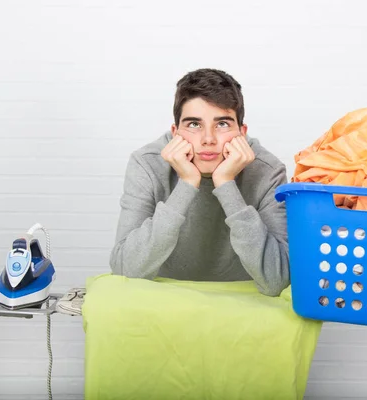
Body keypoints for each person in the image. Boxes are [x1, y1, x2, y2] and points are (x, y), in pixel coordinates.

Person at [109, 68, 290, 296]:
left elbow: (277, 281)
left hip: (241, 305)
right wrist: (187, 183)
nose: (208, 139)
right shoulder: (147, 164)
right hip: (165, 302)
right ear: (175, 133)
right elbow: (125, 270)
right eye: (194, 124)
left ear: (242, 133)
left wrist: (225, 184)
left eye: (222, 124)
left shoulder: (268, 170)